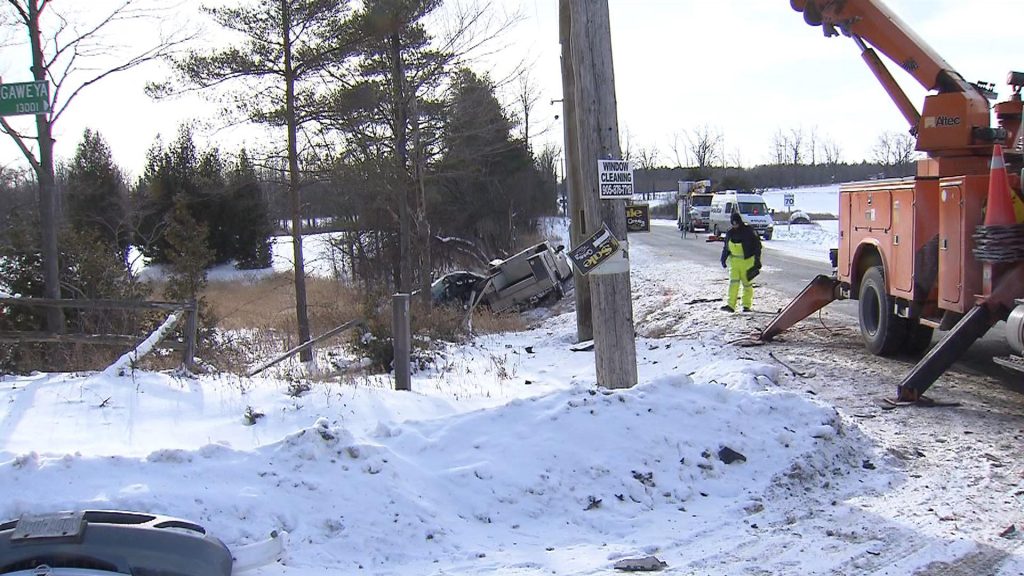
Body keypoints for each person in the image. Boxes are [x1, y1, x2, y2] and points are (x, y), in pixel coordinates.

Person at [720, 211, 762, 312]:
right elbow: (726, 247)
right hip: (734, 261)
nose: (735, 226)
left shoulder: (749, 231)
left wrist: (757, 260)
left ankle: (746, 305)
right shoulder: (730, 232)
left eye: (736, 223)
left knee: (747, 284)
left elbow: (757, 246)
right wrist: (723, 258)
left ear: (740, 222)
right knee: (733, 283)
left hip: (747, 261)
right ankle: (731, 305)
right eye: (733, 224)